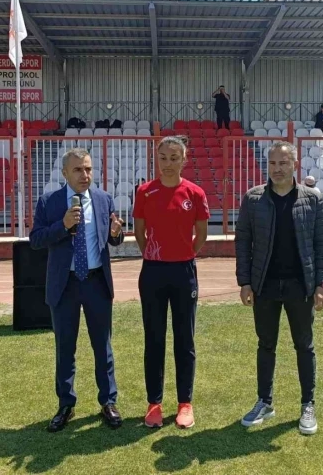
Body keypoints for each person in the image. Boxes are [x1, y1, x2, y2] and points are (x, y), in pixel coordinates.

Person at [235, 140, 323, 435]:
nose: (277, 169)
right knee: (266, 345)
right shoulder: (253, 199)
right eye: (273, 163)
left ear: (295, 165)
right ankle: (264, 402)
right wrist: (245, 282)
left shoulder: (313, 199)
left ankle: (307, 404)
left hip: (300, 286)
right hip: (264, 285)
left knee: (304, 345)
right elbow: (243, 243)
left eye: (283, 163)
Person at [29, 148, 125, 432]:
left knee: (102, 346)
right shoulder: (49, 201)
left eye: (88, 169)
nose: (85, 175)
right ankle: (66, 404)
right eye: (78, 170)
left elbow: (113, 239)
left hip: (96, 282)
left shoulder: (103, 199)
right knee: (65, 347)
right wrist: (63, 225)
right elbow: (36, 239)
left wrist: (116, 233)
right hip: (65, 284)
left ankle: (108, 401)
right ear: (64, 173)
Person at [133, 137, 209, 430]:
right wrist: (155, 255)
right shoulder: (145, 192)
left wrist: (183, 253)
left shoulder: (195, 193)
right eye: (163, 157)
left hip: (183, 272)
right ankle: (154, 403)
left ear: (184, 160)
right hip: (153, 271)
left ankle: (184, 403)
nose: (167, 163)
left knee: (184, 339)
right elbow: (140, 232)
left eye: (174, 158)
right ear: (157, 159)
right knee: (154, 338)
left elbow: (201, 234)